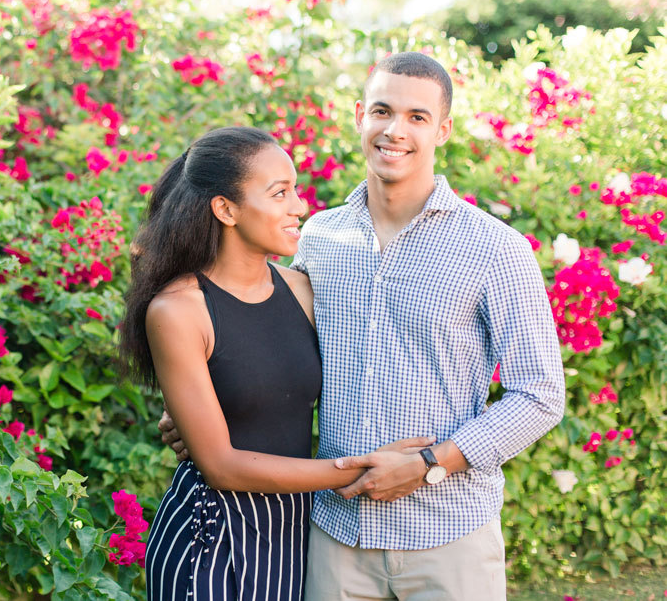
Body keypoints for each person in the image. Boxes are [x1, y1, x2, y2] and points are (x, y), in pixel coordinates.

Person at [161, 53, 565, 600]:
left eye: (417, 117)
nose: (395, 130)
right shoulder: (317, 241)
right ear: (359, 117)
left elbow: (539, 395)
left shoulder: (496, 250)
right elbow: (254, 329)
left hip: (448, 535)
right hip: (333, 540)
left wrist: (430, 464)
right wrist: (200, 408)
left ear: (442, 129)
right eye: (382, 110)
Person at [120, 126, 433, 601]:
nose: (299, 207)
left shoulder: (302, 291)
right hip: (213, 537)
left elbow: (369, 364)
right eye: (279, 193)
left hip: (294, 535)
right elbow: (222, 465)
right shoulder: (179, 311)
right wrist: (362, 468)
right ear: (225, 209)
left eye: (295, 190)